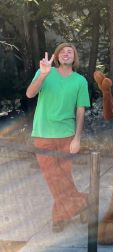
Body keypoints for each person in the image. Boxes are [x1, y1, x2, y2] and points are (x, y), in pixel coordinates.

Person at [26, 43, 90, 233]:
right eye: (62, 51)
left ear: (74, 57)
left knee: (63, 177)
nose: (66, 53)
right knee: (52, 177)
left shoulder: (80, 81)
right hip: (42, 133)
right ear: (56, 56)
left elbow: (80, 110)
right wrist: (43, 73)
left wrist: (77, 138)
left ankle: (60, 216)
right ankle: (84, 202)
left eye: (70, 51)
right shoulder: (45, 72)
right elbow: (30, 94)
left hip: (67, 135)